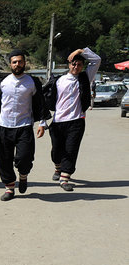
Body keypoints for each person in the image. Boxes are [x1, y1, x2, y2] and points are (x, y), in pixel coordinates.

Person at [0, 49, 49, 201]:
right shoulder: (3, 83)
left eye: (20, 61)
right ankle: (9, 188)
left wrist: (42, 123)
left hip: (24, 126)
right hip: (4, 126)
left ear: (25, 63)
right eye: (14, 62)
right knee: (4, 159)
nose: (17, 64)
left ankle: (23, 175)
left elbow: (40, 104)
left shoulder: (32, 82)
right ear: (10, 64)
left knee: (24, 157)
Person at [43, 48, 100, 191]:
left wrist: (80, 51)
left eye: (79, 65)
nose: (76, 67)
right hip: (58, 121)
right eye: (74, 64)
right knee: (56, 151)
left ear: (82, 67)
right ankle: (58, 168)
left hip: (76, 121)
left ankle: (65, 178)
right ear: (69, 65)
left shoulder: (85, 77)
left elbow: (96, 60)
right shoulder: (58, 80)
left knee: (71, 149)